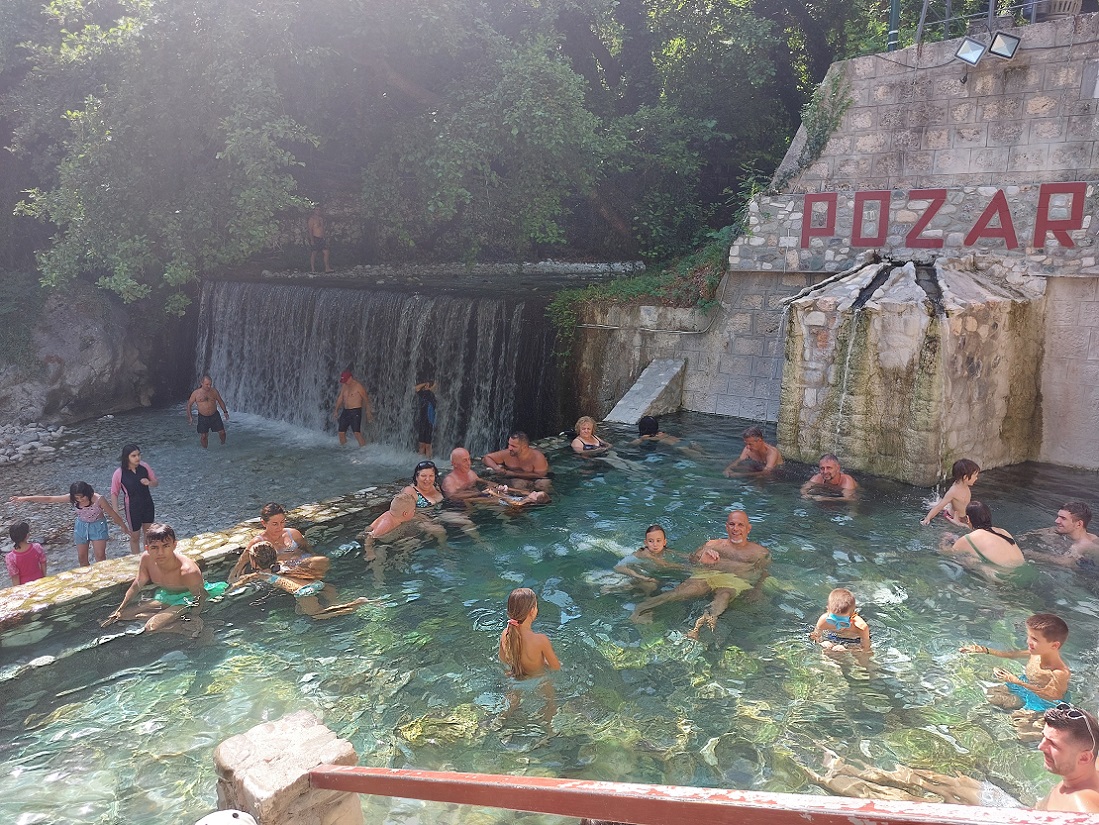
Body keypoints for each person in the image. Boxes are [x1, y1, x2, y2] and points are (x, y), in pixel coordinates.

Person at [631, 510, 770, 639]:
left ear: (748, 528)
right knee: (677, 593)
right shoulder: (713, 544)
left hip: (734, 580)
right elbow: (693, 559)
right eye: (732, 524)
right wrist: (703, 555)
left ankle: (696, 629)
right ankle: (642, 608)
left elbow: (763, 573)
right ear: (726, 526)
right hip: (709, 575)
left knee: (724, 596)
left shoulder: (760, 553)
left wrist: (756, 590)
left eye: (741, 525)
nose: (736, 529)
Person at [101, 523, 227, 636]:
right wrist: (121, 608)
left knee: (151, 627)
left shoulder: (188, 571)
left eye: (165, 546)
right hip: (167, 596)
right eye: (155, 547)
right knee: (121, 615)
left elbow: (200, 597)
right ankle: (155, 617)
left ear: (174, 545)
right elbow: (136, 585)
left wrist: (192, 617)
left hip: (187, 599)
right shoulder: (147, 559)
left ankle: (188, 629)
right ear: (147, 548)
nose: (160, 552)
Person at [960, 613, 1070, 713]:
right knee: (992, 694)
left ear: (1054, 645)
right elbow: (1010, 655)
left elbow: (1052, 696)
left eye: (1034, 639)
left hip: (1042, 701)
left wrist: (1016, 681)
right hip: (1024, 683)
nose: (1028, 641)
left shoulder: (1059, 672)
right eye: (1029, 636)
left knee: (1020, 725)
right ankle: (1013, 706)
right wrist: (983, 650)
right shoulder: (1036, 653)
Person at [227, 541, 367, 620]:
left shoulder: (261, 574)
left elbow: (243, 581)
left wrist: (231, 588)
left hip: (303, 592)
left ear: (254, 563)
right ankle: (339, 604)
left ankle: (355, 605)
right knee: (301, 610)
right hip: (314, 583)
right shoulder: (281, 564)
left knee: (318, 614)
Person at [9, 481, 127, 566]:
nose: (80, 500)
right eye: (77, 498)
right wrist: (24, 498)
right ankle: (87, 578)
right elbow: (49, 499)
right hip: (81, 526)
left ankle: (104, 576)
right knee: (81, 557)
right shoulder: (72, 498)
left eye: (82, 497)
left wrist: (123, 526)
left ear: (88, 493)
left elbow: (112, 514)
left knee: (100, 555)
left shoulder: (98, 499)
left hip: (98, 526)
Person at [941, 501, 1034, 585]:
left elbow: (947, 554)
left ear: (968, 518)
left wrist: (945, 540)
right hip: (1027, 574)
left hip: (1006, 580)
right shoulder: (1003, 531)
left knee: (968, 560)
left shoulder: (969, 539)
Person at [1037, 703, 1099, 813]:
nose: (1041, 747)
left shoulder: (1081, 810)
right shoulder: (1091, 768)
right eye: (1044, 737)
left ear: (1084, 758)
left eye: (1053, 744)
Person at [229, 502, 312, 580]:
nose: (280, 527)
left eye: (282, 522)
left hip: (303, 569)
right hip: (280, 577)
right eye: (275, 524)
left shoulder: (293, 534)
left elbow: (308, 551)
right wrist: (232, 579)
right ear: (264, 523)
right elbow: (241, 564)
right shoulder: (257, 542)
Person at [499, 587, 560, 678]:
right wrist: (543, 662)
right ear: (532, 611)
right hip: (539, 682)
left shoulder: (505, 634)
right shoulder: (540, 640)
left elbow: (503, 661)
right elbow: (556, 667)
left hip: (514, 683)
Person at [111, 443, 159, 555]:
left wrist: (150, 483)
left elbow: (156, 482)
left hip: (147, 504)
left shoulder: (144, 467)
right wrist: (116, 511)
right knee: (134, 536)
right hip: (132, 507)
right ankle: (137, 559)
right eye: (134, 455)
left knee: (149, 535)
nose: (137, 458)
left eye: (138, 455)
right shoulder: (119, 473)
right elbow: (114, 493)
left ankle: (149, 558)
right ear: (126, 457)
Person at [1023, 502, 1099, 570]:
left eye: (1063, 518)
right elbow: (1039, 532)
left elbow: (1065, 562)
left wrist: (1031, 554)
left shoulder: (1082, 545)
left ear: (1079, 524)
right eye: (1058, 516)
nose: (1056, 521)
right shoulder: (1063, 532)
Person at [615, 524, 681, 594]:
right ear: (645, 543)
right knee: (651, 586)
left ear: (664, 542)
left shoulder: (665, 550)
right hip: (629, 571)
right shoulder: (644, 554)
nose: (655, 544)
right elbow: (618, 567)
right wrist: (688, 568)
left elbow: (682, 555)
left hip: (647, 572)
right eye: (650, 541)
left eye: (658, 541)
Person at [483, 431, 550, 491]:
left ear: (524, 447)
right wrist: (496, 468)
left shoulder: (537, 457)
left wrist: (514, 474)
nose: (509, 448)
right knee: (518, 485)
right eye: (509, 444)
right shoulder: (507, 454)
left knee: (542, 485)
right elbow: (486, 458)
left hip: (537, 479)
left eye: (513, 446)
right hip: (517, 480)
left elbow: (541, 475)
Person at [920, 458, 979, 526]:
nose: (976, 478)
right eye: (975, 476)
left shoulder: (965, 485)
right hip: (952, 519)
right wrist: (927, 518)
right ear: (965, 477)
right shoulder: (953, 491)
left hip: (964, 518)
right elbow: (938, 507)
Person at [810, 587, 871, 653]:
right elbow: (815, 637)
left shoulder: (860, 627)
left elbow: (866, 649)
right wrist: (821, 643)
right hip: (833, 637)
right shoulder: (824, 620)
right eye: (832, 621)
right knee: (827, 650)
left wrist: (848, 649)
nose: (838, 627)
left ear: (852, 616)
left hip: (855, 641)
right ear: (828, 610)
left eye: (843, 623)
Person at [332, 369, 374, 447]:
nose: (344, 382)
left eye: (346, 380)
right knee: (341, 432)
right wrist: (336, 410)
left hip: (355, 411)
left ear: (350, 378)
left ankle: (364, 450)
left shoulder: (358, 387)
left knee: (357, 433)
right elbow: (340, 398)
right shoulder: (345, 386)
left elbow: (366, 399)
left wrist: (368, 411)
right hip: (346, 411)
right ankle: (344, 448)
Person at [186, 374, 230, 448]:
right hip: (203, 417)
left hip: (214, 415)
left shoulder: (214, 391)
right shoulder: (196, 393)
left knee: (222, 433)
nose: (209, 386)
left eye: (210, 384)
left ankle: (223, 444)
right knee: (204, 436)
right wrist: (190, 417)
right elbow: (189, 405)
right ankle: (205, 449)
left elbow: (220, 401)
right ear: (201, 383)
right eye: (207, 384)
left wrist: (225, 412)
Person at [6, 521, 47, 585]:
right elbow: (43, 563)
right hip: (40, 582)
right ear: (27, 535)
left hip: (25, 586)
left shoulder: (10, 557)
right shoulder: (37, 547)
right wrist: (44, 578)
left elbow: (15, 577)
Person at [414, 380, 437, 458]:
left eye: (427, 386)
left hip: (429, 422)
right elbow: (416, 388)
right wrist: (424, 383)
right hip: (422, 422)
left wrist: (431, 387)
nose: (425, 387)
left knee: (428, 445)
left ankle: (429, 460)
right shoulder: (423, 394)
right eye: (425, 386)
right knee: (421, 444)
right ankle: (419, 461)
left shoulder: (432, 396)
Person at [307, 205, 332, 273]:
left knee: (326, 252)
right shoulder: (312, 219)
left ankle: (327, 268)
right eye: (316, 209)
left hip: (321, 238)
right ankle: (312, 269)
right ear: (314, 210)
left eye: (319, 210)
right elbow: (310, 230)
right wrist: (311, 240)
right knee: (314, 253)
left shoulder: (321, 219)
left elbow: (322, 229)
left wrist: (324, 236)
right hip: (315, 238)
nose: (318, 211)